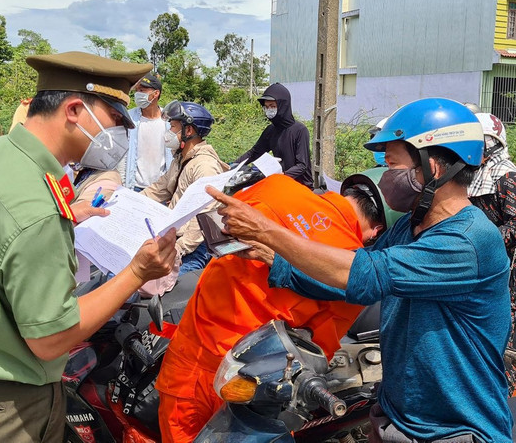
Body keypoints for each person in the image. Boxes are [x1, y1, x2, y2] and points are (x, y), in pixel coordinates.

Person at [209, 98, 513, 442]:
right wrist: (275, 259)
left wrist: (269, 232)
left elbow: (366, 274)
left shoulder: (469, 241)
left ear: (433, 169)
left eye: (393, 165)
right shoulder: (411, 227)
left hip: (451, 431)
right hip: (397, 416)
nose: (385, 176)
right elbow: (349, 282)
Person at [0, 51, 177, 443]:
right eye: (115, 122)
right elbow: (52, 339)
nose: (120, 139)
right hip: (5, 407)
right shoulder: (36, 208)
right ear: (76, 110)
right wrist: (137, 273)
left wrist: (70, 214)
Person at [156, 170, 400, 442]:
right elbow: (317, 349)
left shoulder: (276, 187)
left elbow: (222, 225)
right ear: (378, 231)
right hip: (254, 391)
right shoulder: (348, 268)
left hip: (191, 362)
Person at [142, 100, 229, 274]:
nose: (169, 132)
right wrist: (127, 202)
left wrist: (179, 249)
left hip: (194, 248)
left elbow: (203, 215)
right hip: (175, 239)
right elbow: (159, 188)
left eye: (173, 127)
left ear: (188, 130)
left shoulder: (204, 166)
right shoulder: (181, 159)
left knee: (158, 292)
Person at [468, 112, 516, 343]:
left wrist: (484, 240)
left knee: (497, 342)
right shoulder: (470, 173)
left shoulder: (506, 175)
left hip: (503, 269)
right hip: (472, 265)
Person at [236, 83, 313, 188]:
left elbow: (302, 165)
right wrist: (234, 166)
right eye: (266, 107)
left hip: (300, 186)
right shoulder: (271, 130)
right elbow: (254, 153)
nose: (269, 110)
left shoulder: (300, 130)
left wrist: (283, 176)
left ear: (283, 106)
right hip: (281, 183)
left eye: (273, 106)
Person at [118, 72, 173, 191]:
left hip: (160, 188)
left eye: (142, 90)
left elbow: (173, 155)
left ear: (155, 94)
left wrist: (172, 187)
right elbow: (122, 154)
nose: (138, 94)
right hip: (134, 186)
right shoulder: (129, 117)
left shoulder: (169, 121)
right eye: (137, 90)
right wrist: (122, 185)